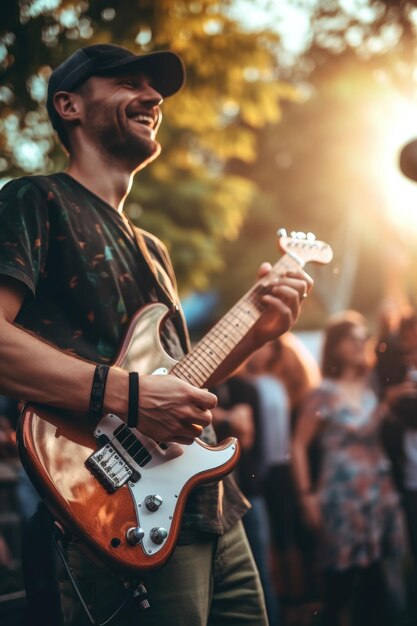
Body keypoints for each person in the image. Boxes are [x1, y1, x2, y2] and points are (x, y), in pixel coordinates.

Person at [0, 43, 312, 626]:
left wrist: (257, 334)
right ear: (68, 105)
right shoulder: (33, 200)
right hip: (111, 511)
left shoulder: (154, 248)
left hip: (211, 510)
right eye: (127, 83)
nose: (152, 97)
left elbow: (178, 386)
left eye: (155, 89)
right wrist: (130, 396)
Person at [292, 311, 404, 626]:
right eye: (354, 338)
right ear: (337, 346)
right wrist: (306, 495)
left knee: (379, 580)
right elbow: (298, 445)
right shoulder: (322, 392)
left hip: (378, 491)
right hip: (341, 496)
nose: (361, 343)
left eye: (363, 337)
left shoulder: (373, 386)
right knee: (340, 581)